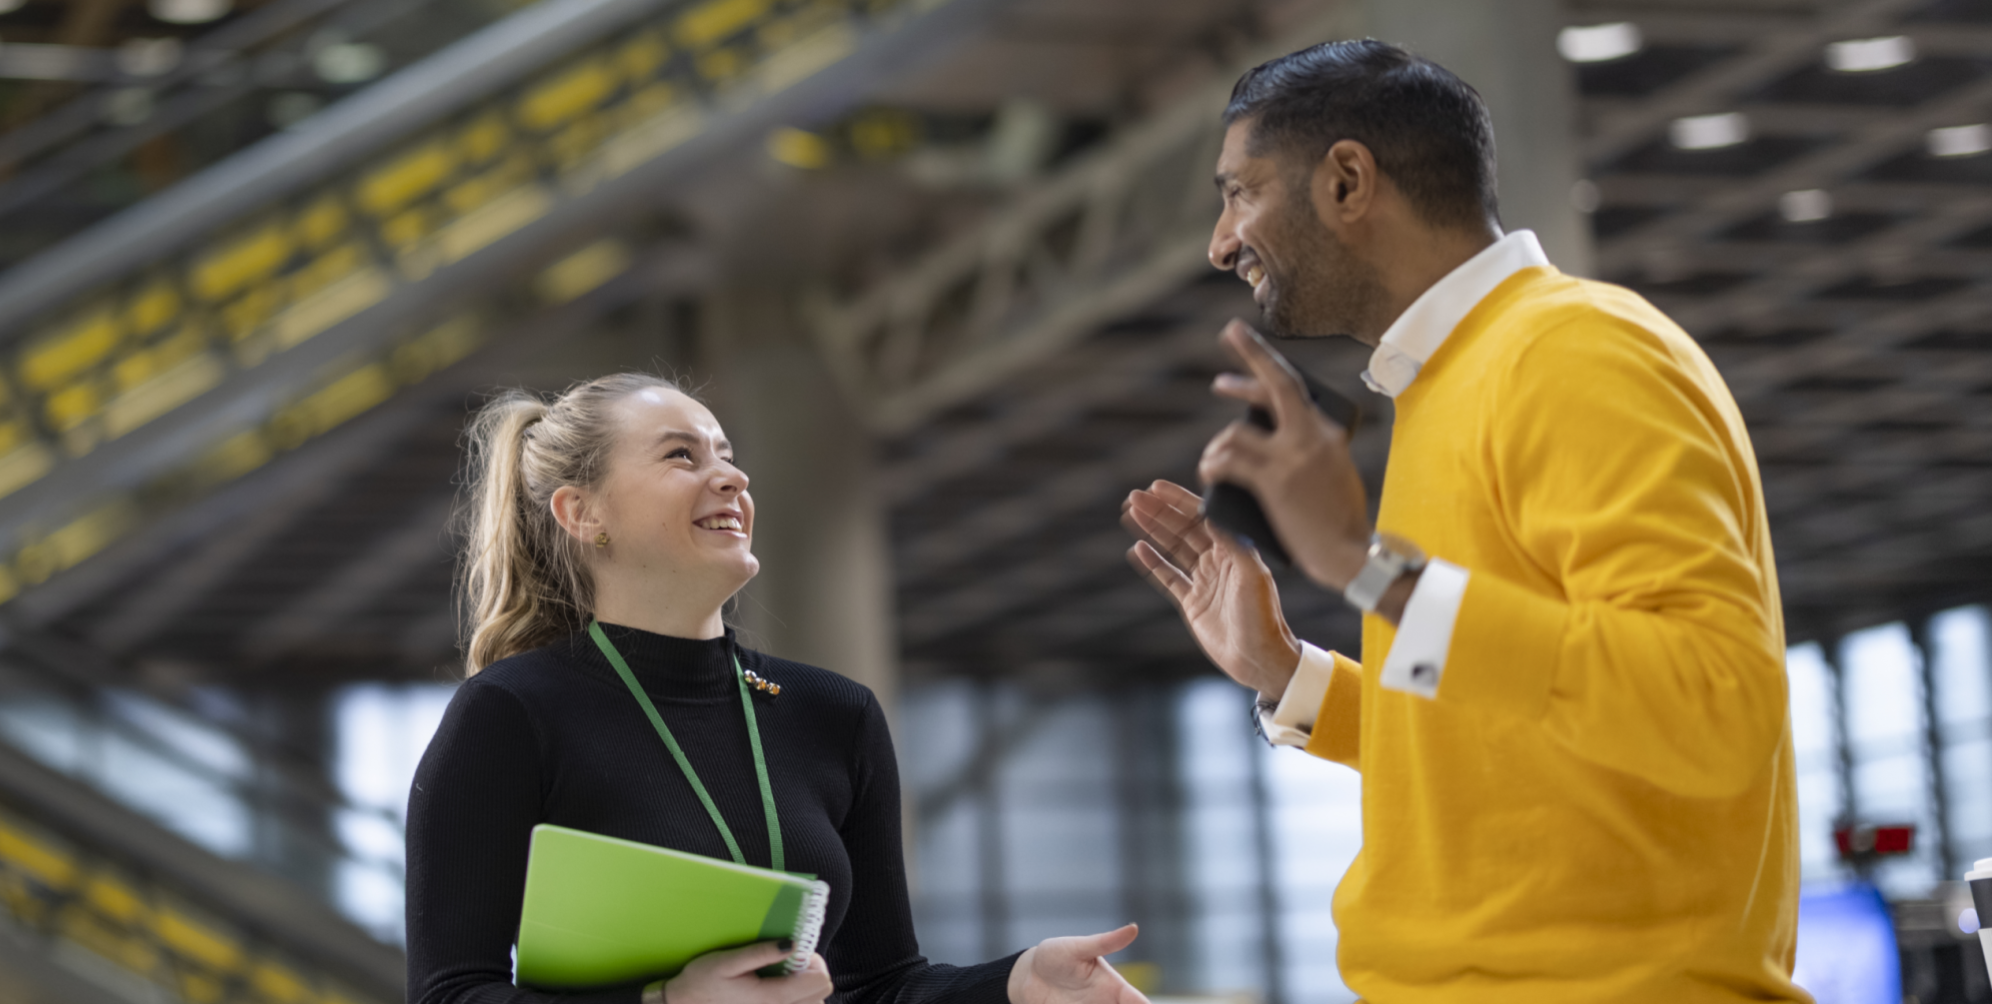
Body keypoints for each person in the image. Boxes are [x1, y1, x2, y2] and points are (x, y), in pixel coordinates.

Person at [1120, 40, 1806, 1002]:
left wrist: (1362, 566)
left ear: (1349, 181)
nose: (1220, 242)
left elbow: (1708, 708)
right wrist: (1289, 672)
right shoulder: (1458, 384)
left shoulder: (1574, 352)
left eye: (1241, 194)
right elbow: (1520, 727)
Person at [408, 373, 1149, 1004]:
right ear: (583, 512)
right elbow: (450, 992)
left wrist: (1016, 982)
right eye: (681, 456)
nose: (731, 477)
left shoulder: (835, 715)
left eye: (728, 456)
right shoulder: (512, 713)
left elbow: (879, 984)